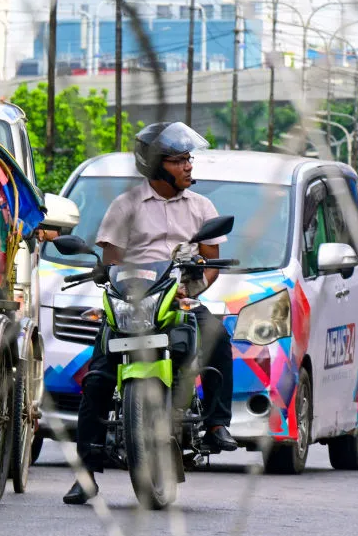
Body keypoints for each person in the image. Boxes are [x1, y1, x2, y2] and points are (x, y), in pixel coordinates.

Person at [64, 122, 238, 505]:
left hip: (179, 301)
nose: (188, 167)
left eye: (188, 159)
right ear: (158, 166)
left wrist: (191, 289)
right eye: (179, 161)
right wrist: (108, 278)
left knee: (218, 337)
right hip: (132, 305)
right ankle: (85, 473)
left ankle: (216, 423)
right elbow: (110, 263)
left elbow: (211, 261)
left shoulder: (202, 207)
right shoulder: (125, 206)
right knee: (97, 379)